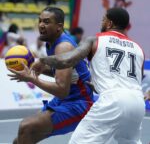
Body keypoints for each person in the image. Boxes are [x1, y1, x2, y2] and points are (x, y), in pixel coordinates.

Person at [31, 7, 145, 144]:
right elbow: (134, 79)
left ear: (109, 23)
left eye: (103, 20)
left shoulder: (95, 39)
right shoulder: (138, 48)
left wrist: (42, 60)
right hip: (138, 103)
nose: (101, 22)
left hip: (112, 101)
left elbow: (67, 60)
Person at [8, 7, 96, 144]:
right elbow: (63, 72)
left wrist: (33, 79)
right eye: (40, 21)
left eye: (47, 22)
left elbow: (62, 90)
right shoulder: (52, 42)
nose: (41, 25)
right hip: (66, 100)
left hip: (80, 104)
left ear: (59, 27)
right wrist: (42, 69)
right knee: (20, 139)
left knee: (26, 127)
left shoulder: (63, 47)